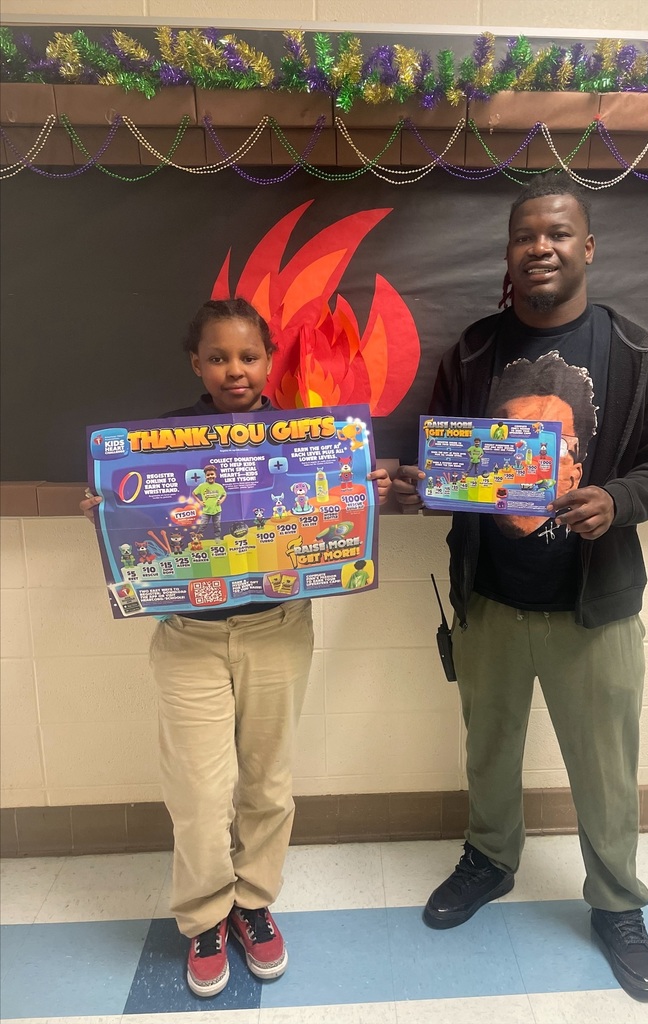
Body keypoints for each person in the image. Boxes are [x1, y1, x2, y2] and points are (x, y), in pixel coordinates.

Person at [393, 172, 648, 1003]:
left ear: (587, 247)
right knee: (487, 749)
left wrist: (616, 500)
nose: (541, 248)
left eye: (558, 234)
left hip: (591, 607)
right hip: (489, 596)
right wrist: (425, 483)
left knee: (605, 768)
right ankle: (489, 861)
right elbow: (443, 463)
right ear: (509, 253)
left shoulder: (638, 353)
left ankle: (617, 904)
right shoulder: (475, 350)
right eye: (526, 236)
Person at [82, 297, 391, 998]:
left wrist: (362, 489)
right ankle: (204, 917)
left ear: (268, 359)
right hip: (188, 638)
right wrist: (111, 512)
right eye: (218, 357)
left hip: (276, 630)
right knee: (198, 793)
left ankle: (253, 903)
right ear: (196, 364)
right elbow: (140, 526)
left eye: (248, 356)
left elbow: (335, 509)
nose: (234, 370)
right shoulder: (160, 443)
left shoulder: (308, 438)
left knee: (268, 782)